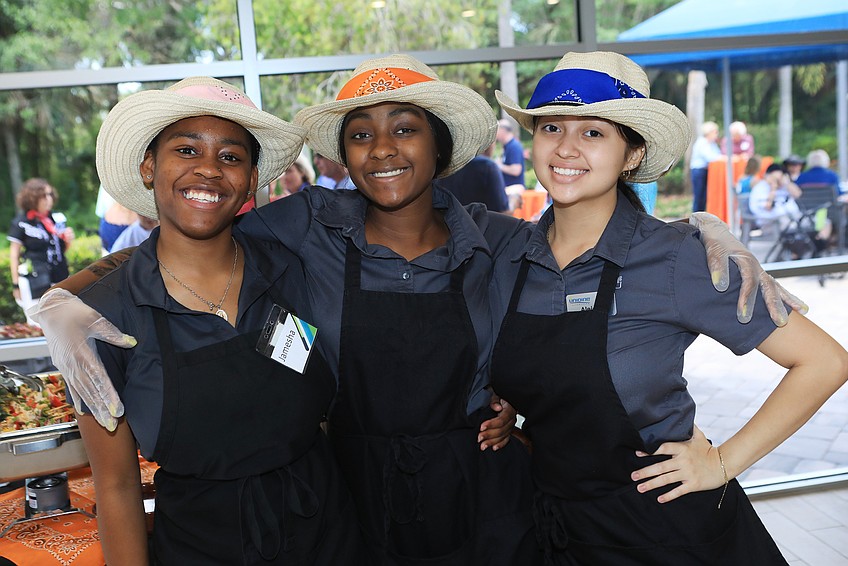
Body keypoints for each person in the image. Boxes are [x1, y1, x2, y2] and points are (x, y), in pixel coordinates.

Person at [31, 55, 805, 566]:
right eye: (361, 135)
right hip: (357, 497)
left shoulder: (504, 242)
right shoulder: (305, 230)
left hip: (486, 490)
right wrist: (67, 295)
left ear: (440, 149)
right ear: (342, 156)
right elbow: (191, 233)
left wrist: (691, 227)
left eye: (405, 129)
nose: (383, 149)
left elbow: (592, 258)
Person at [490, 50, 848, 565]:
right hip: (558, 528)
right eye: (551, 127)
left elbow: (825, 362)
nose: (566, 148)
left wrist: (722, 462)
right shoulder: (510, 253)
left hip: (666, 530)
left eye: (593, 132)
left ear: (631, 154)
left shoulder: (676, 255)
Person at [33, 77, 365, 565]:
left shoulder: (292, 269)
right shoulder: (100, 321)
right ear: (149, 167)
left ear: (251, 180)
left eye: (230, 157)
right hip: (198, 546)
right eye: (186, 150)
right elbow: (118, 484)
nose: (209, 169)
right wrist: (56, 302)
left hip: (327, 534)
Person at [7, 178, 74, 322]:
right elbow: (14, 255)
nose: (48, 200)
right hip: (35, 279)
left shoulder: (55, 218)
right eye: (44, 196)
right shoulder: (22, 222)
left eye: (50, 195)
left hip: (58, 276)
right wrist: (15, 285)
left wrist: (68, 241)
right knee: (38, 323)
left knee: (62, 321)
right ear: (32, 198)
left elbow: (61, 251)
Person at [437, 142, 509, 212]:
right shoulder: (488, 166)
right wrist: (513, 202)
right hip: (482, 223)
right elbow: (503, 212)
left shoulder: (441, 166)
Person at [749, 163, 802, 230]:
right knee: (787, 223)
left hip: (789, 216)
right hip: (769, 221)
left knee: (803, 221)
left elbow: (798, 194)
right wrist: (773, 187)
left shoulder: (783, 186)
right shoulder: (760, 188)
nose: (778, 180)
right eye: (775, 178)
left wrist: (787, 182)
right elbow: (768, 206)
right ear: (767, 176)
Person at [689, 121, 721, 212]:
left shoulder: (712, 143)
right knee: (699, 196)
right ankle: (696, 217)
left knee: (704, 197)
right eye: (715, 132)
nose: (716, 134)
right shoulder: (702, 143)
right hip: (699, 171)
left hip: (706, 171)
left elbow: (718, 154)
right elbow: (710, 157)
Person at [495, 118, 526, 193]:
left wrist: (499, 166)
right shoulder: (506, 146)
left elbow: (516, 170)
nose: (496, 134)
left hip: (514, 192)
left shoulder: (514, 146)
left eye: (497, 130)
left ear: (503, 130)